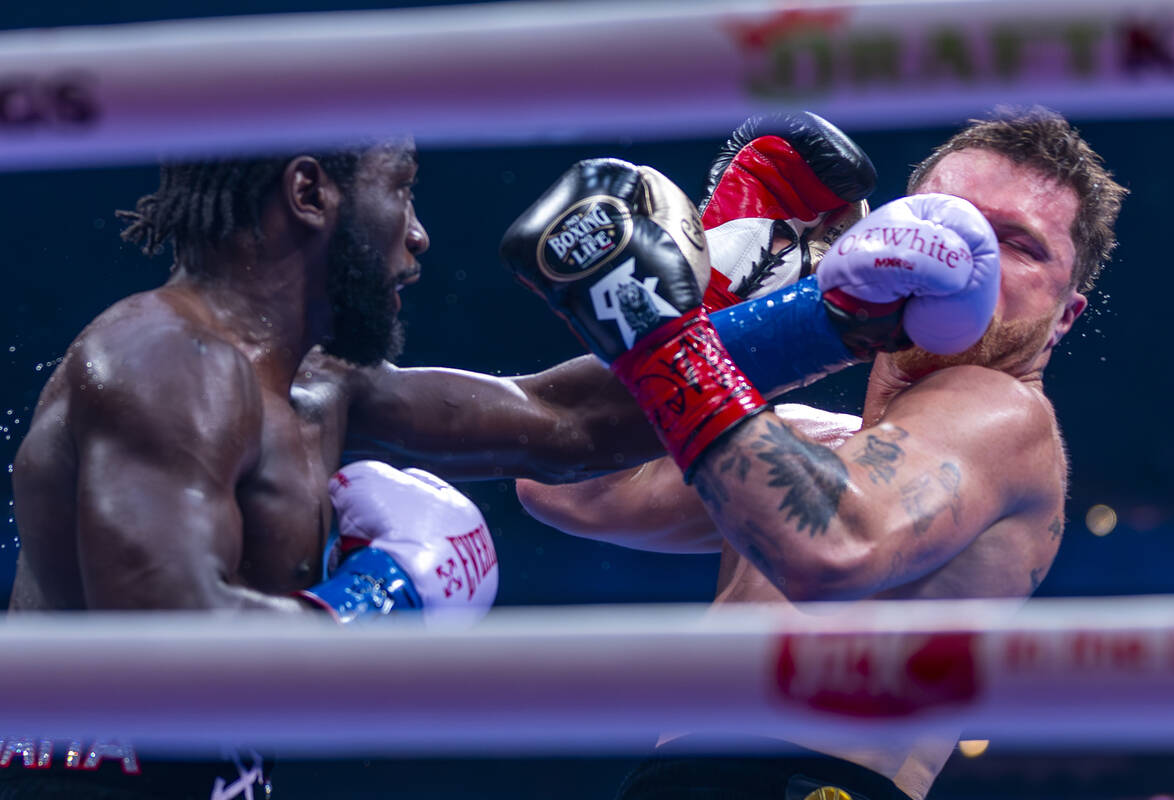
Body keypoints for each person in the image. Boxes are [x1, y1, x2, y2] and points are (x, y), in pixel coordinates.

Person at [5, 115, 935, 798]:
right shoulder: (166, 361)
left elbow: (565, 422)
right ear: (309, 194)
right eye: (399, 188)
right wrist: (392, 595)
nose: (417, 234)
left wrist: (833, 314)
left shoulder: (319, 386)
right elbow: (165, 667)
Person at [505, 109, 1127, 800]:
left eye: (1018, 244)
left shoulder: (1007, 416)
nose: (966, 256)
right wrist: (726, 299)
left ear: (1064, 316)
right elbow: (563, 483)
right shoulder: (801, 443)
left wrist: (675, 331)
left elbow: (833, 545)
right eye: (951, 220)